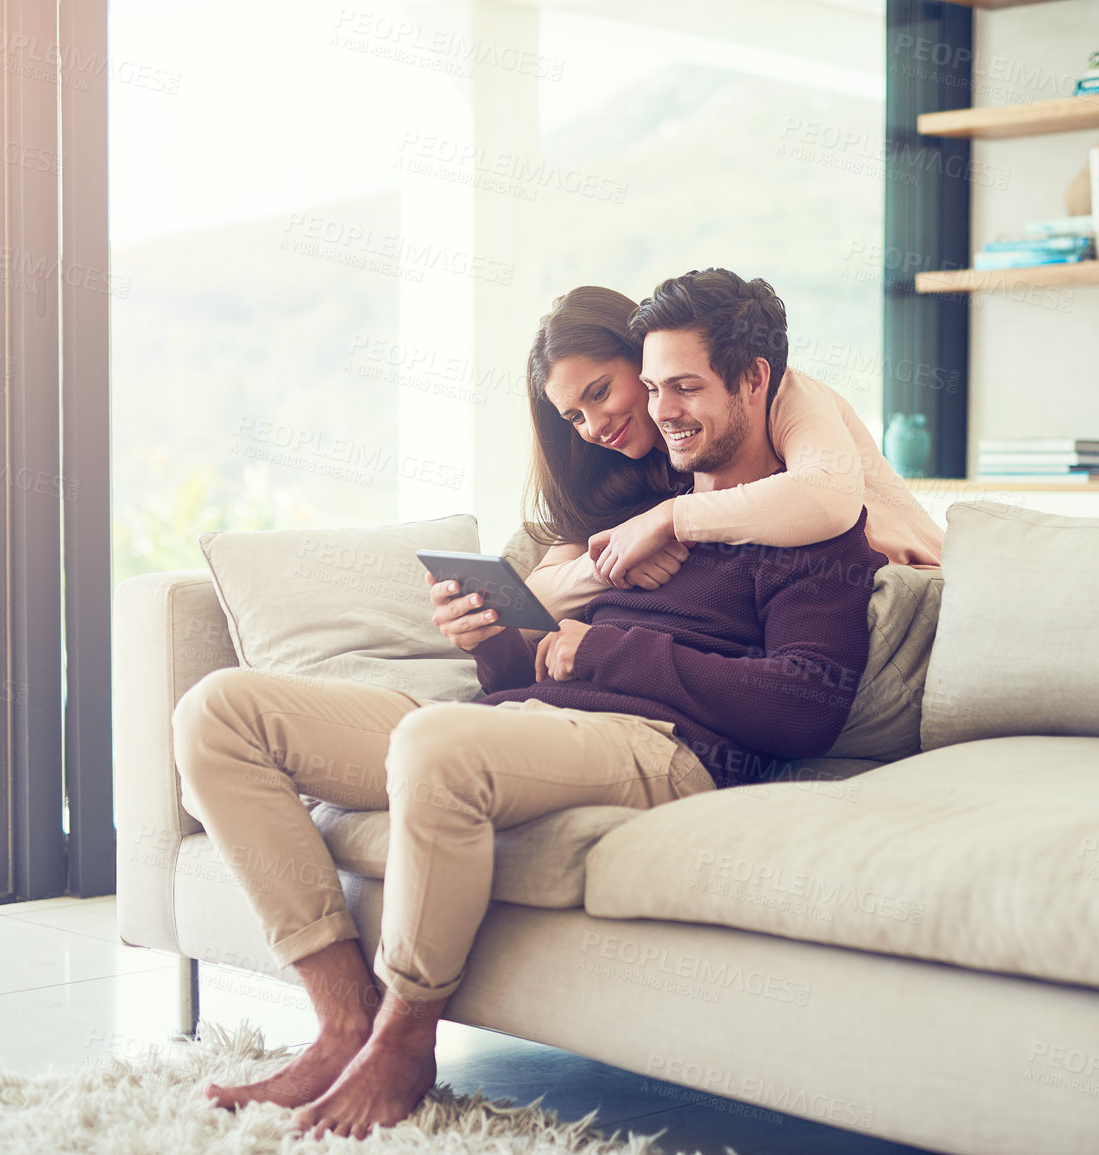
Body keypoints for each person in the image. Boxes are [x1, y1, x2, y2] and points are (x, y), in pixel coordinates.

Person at [170, 269, 886, 1141]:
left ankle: (404, 1041)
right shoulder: (637, 507)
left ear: (755, 381)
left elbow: (800, 709)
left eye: (687, 388)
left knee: (438, 743)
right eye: (654, 388)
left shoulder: (810, 528)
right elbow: (521, 682)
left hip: (654, 746)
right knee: (218, 713)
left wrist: (608, 646)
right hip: (527, 723)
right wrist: (490, 636)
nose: (661, 412)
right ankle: (343, 1022)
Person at [518, 279, 941, 626]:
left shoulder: (775, 392)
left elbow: (828, 499)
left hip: (909, 594)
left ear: (642, 354)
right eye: (574, 416)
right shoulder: (626, 463)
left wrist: (666, 521)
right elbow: (536, 601)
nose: (594, 427)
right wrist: (613, 561)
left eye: (601, 392)